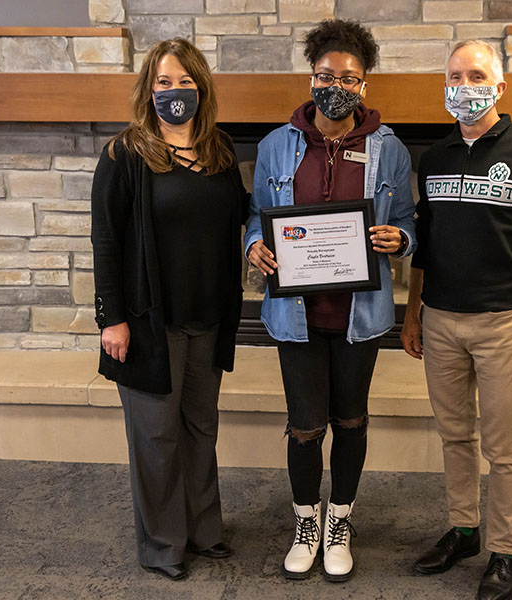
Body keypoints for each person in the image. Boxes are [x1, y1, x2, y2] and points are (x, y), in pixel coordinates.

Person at [401, 40, 512, 600]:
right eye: (454, 75)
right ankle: (463, 529)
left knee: (505, 448)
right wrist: (412, 314)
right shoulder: (435, 157)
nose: (463, 83)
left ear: (499, 87)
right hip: (440, 319)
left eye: (475, 74)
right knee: (454, 436)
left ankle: (505, 551)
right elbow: (423, 244)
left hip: (503, 322)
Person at [244, 19, 416, 583]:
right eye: (325, 75)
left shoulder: (389, 149)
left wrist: (400, 240)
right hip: (295, 314)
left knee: (351, 420)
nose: (335, 85)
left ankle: (339, 519)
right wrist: (254, 246)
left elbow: (408, 221)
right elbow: (255, 217)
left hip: (358, 317)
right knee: (303, 425)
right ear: (310, 77)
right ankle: (305, 519)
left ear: (364, 85)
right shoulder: (275, 145)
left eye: (349, 77)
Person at [90, 38, 248, 582]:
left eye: (184, 81)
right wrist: (111, 318)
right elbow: (105, 241)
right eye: (163, 81)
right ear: (147, 88)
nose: (174, 91)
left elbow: (243, 220)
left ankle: (204, 530)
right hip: (147, 324)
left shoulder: (221, 152)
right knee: (156, 437)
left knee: (201, 428)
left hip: (208, 318)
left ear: (201, 86)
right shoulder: (124, 154)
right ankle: (162, 544)